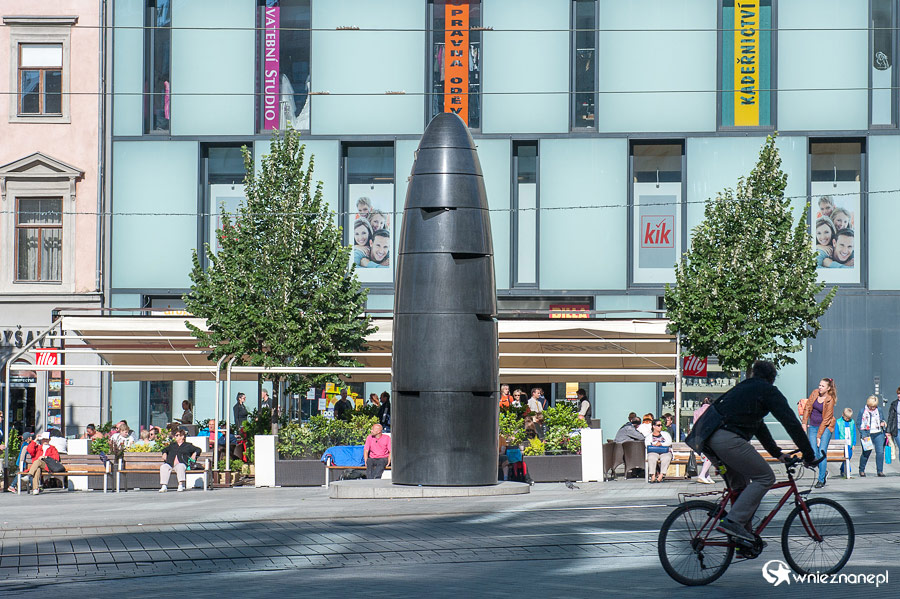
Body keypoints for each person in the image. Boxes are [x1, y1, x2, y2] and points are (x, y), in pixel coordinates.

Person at [705, 360, 815, 543]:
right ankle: (732, 521)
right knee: (765, 477)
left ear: (754, 374)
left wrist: (777, 453)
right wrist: (809, 455)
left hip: (709, 440)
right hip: (728, 439)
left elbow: (759, 427)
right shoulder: (767, 390)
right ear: (772, 378)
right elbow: (791, 422)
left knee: (740, 489)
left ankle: (742, 542)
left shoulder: (745, 388)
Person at [802, 378, 837, 487]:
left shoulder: (830, 399)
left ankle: (821, 479)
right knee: (813, 452)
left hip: (826, 427)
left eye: (822, 386)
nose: (820, 387)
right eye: (819, 385)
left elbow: (827, 419)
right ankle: (824, 471)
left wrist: (819, 436)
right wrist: (804, 423)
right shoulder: (815, 393)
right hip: (813, 426)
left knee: (821, 451)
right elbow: (807, 407)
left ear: (828, 388)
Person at [857, 395, 887, 477]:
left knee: (880, 452)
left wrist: (883, 423)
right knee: (866, 452)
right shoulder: (862, 411)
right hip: (867, 434)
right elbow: (859, 423)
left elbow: (882, 419)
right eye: (871, 406)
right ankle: (861, 470)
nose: (873, 408)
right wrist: (863, 434)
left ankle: (880, 471)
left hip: (878, 433)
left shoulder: (879, 410)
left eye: (874, 406)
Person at [693, 398, 715, 484]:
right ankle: (702, 475)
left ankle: (707, 475)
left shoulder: (697, 411)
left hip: (698, 436)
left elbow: (695, 424)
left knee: (706, 455)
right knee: (710, 456)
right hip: (708, 435)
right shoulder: (711, 410)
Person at [835, 407, 856, 477]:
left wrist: (853, 443)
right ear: (843, 415)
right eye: (846, 417)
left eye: (849, 418)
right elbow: (837, 434)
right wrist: (838, 443)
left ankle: (842, 468)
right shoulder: (838, 422)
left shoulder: (852, 422)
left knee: (849, 456)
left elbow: (854, 433)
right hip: (843, 443)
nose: (848, 419)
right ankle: (847, 470)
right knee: (845, 457)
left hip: (850, 443)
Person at [889, 388, 899, 457]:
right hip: (897, 429)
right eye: (898, 394)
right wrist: (888, 431)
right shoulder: (894, 404)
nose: (899, 395)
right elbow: (890, 417)